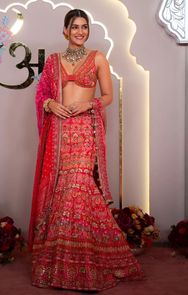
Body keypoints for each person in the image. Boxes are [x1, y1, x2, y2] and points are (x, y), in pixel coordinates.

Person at [28, 8, 143, 291]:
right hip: (59, 131)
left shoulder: (98, 58)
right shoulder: (54, 62)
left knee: (78, 188)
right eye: (75, 27)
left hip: (84, 131)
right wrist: (49, 104)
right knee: (64, 191)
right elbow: (41, 94)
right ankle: (64, 266)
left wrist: (87, 104)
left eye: (84, 27)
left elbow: (107, 96)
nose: (80, 31)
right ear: (65, 30)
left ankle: (86, 263)